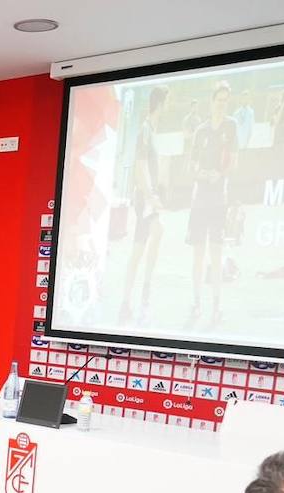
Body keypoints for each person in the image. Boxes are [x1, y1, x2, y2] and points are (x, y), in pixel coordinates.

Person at [186, 82, 238, 328]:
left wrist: (220, 174)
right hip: (200, 199)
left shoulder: (231, 126)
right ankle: (196, 301)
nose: (222, 104)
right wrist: (201, 174)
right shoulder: (201, 130)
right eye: (219, 100)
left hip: (219, 199)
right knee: (198, 253)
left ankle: (217, 303)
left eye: (225, 101)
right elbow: (192, 164)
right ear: (212, 101)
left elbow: (234, 162)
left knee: (216, 254)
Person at [119, 85, 169, 321]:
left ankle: (143, 289)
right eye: (166, 103)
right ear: (160, 103)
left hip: (150, 198)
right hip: (144, 198)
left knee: (158, 232)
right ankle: (127, 298)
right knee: (138, 249)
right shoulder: (145, 131)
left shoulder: (154, 131)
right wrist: (150, 196)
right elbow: (140, 167)